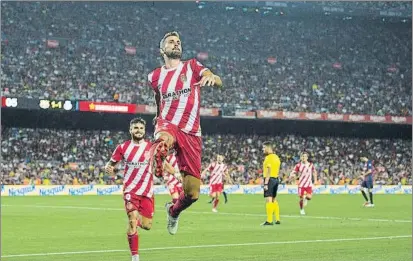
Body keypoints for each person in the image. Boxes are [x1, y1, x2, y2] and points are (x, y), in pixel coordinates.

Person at [147, 31, 223, 235]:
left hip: (192, 132)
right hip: (168, 124)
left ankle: (173, 211)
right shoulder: (154, 76)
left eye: (178, 42)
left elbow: (215, 78)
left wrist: (211, 78)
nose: (176, 44)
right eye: (171, 42)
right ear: (162, 49)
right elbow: (158, 97)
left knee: (192, 193)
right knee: (164, 140)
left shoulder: (192, 66)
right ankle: (158, 155)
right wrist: (157, 116)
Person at [105, 118, 153, 261]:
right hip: (130, 191)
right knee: (132, 220)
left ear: (144, 131)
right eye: (135, 128)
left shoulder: (151, 147)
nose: (138, 130)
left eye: (141, 128)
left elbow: (162, 162)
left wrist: (175, 173)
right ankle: (135, 256)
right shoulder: (122, 147)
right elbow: (111, 165)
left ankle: (137, 222)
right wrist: (110, 171)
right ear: (130, 130)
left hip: (147, 192)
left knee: (147, 225)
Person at [261, 141, 281, 226]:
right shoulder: (277, 157)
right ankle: (277, 219)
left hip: (269, 179)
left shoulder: (268, 158)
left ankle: (269, 220)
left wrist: (265, 183)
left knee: (268, 199)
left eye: (264, 147)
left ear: (268, 148)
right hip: (276, 179)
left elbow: (268, 170)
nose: (263, 149)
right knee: (274, 199)